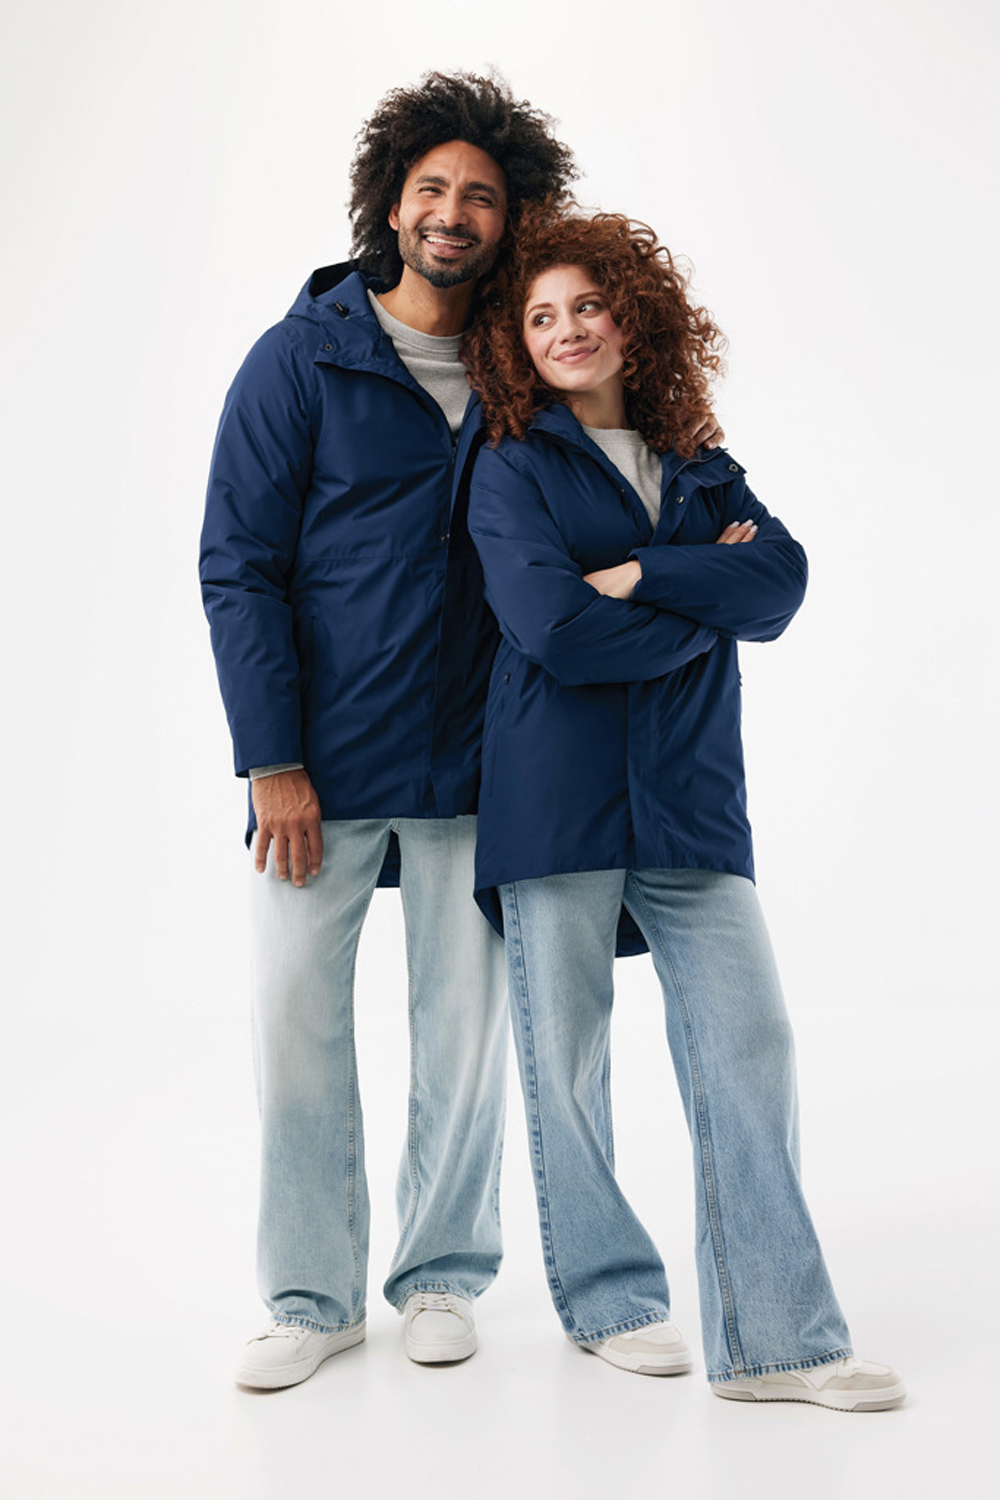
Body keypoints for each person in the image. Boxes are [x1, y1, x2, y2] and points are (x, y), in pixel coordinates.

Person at [462, 204, 905, 1411]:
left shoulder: (699, 460)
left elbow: (783, 583)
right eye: (540, 316)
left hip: (690, 798)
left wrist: (647, 573)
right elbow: (555, 630)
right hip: (553, 800)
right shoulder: (511, 466)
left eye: (587, 306)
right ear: (516, 344)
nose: (566, 329)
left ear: (632, 317)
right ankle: (608, 1302)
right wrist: (705, 610)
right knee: (566, 1064)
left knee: (749, 1044)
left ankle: (776, 1344)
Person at [199, 72, 581, 1388]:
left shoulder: (521, 366)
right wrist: (272, 761)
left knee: (460, 1041)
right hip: (321, 765)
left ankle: (441, 1277)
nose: (452, 213)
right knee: (296, 1026)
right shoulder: (301, 356)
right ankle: (310, 1298)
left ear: (512, 218)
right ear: (390, 202)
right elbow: (239, 567)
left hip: (481, 761)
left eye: (481, 195)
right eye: (432, 189)